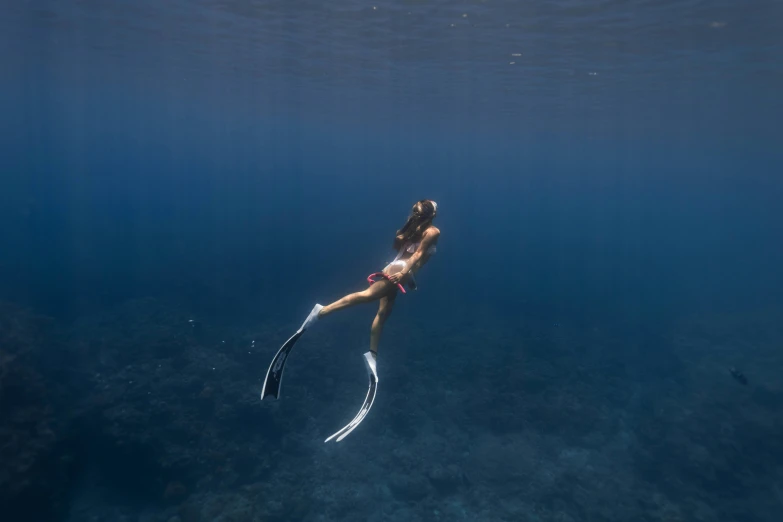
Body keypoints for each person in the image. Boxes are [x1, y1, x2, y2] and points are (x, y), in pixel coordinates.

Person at [304, 199, 440, 359]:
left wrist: (407, 276)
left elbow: (401, 250)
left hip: (398, 268)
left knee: (384, 312)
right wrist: (404, 273)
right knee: (368, 295)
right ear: (432, 214)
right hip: (400, 270)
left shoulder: (412, 228)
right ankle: (322, 311)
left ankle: (372, 353)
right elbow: (417, 254)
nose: (415, 214)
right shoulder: (433, 231)